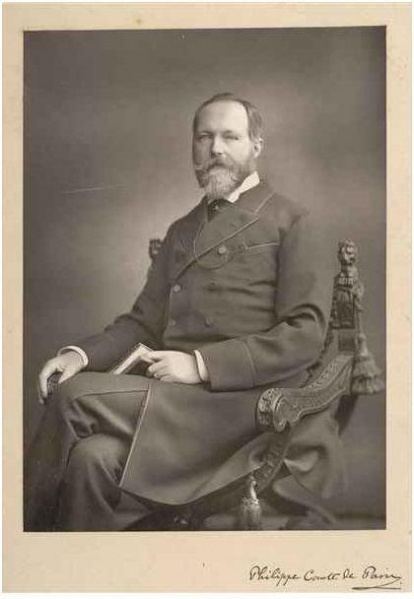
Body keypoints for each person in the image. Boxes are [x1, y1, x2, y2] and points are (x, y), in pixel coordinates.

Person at [24, 93, 340, 532]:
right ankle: (75, 567)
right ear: (193, 147)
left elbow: (304, 334)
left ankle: (23, 552)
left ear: (256, 145)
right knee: (90, 459)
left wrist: (200, 364)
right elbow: (142, 323)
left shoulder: (292, 220)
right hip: (177, 408)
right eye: (204, 137)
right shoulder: (182, 229)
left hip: (244, 408)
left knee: (71, 397)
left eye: (230, 137)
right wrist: (78, 355)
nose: (216, 149)